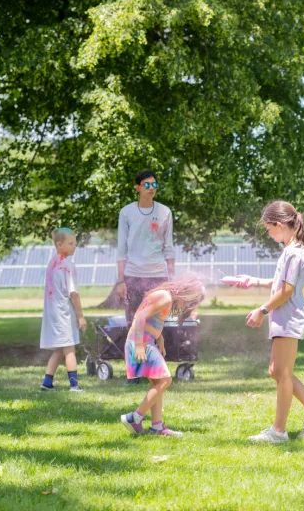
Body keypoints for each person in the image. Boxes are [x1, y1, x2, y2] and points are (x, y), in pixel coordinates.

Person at [235, 201, 304, 443]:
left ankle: (279, 432)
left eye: (269, 229)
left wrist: (262, 310)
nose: (269, 234)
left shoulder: (294, 252)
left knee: (282, 373)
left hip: (289, 319)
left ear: (279, 225)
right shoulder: (291, 250)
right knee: (277, 371)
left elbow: (287, 291)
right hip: (284, 319)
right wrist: (254, 281)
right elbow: (280, 282)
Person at [120, 274, 206, 436]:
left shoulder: (166, 297)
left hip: (147, 340)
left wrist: (160, 338)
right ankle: (134, 417)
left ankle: (157, 427)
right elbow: (140, 317)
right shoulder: (165, 297)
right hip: (141, 341)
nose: (187, 306)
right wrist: (139, 345)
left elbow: (151, 319)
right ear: (186, 292)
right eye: (190, 302)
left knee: (157, 382)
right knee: (166, 380)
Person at [116, 170, 175, 383]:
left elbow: (169, 247)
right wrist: (120, 280)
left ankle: (155, 368)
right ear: (138, 188)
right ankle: (134, 373)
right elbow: (121, 248)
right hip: (133, 274)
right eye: (147, 185)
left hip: (158, 275)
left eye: (154, 185)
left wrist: (172, 279)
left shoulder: (165, 212)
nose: (151, 188)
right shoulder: (126, 212)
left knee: (155, 323)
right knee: (133, 322)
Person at [39, 228, 87, 392]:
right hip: (63, 313)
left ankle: (47, 383)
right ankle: (74, 385)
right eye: (70, 243)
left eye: (75, 243)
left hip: (52, 313)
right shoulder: (68, 265)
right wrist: (81, 316)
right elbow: (74, 294)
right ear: (59, 245)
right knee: (69, 349)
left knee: (60, 349)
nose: (74, 246)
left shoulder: (51, 263)